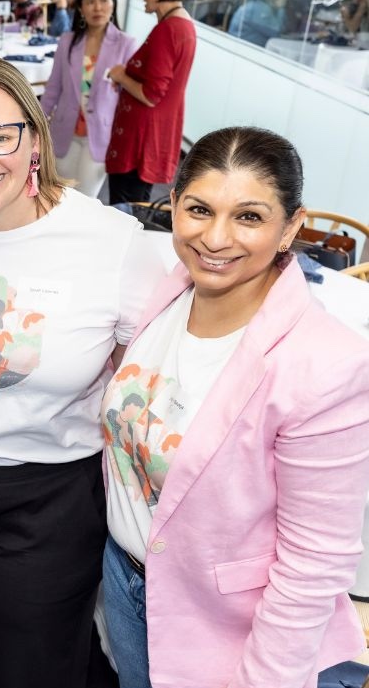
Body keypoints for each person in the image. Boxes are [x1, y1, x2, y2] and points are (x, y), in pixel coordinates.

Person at [0, 57, 166, 688]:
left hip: (48, 498)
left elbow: (148, 376)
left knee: (31, 669)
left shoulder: (111, 241)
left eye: (1, 135)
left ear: (35, 136)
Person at [100, 126, 369, 688]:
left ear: (290, 227)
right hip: (129, 587)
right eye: (199, 209)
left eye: (248, 217)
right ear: (173, 206)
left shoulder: (327, 363)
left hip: (237, 633)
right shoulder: (172, 289)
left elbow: (313, 564)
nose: (215, 239)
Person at [106, 0, 197, 204]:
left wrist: (122, 76)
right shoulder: (183, 25)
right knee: (137, 207)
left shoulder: (168, 30)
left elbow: (151, 93)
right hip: (152, 137)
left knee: (125, 211)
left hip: (140, 142)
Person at [41, 0, 135, 199]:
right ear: (81, 8)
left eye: (103, 0)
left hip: (100, 134)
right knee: (57, 196)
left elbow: (128, 98)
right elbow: (54, 87)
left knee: (84, 200)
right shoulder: (67, 41)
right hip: (64, 131)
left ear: (113, 4)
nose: (97, 7)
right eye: (90, 2)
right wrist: (37, 123)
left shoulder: (126, 44)